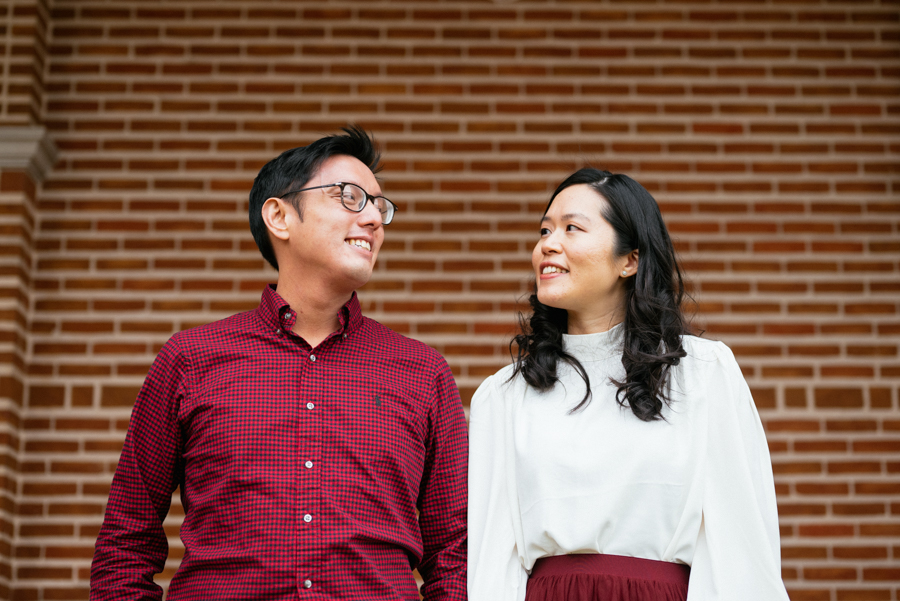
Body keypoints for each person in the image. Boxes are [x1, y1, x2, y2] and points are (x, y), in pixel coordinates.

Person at [91, 126, 468, 601]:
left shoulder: (422, 371)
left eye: (379, 205)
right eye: (351, 197)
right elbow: (126, 543)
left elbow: (455, 555)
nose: (374, 218)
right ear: (280, 216)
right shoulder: (190, 359)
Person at [467, 168, 789, 601]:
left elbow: (742, 546)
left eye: (571, 228)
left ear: (630, 260)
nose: (548, 243)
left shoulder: (703, 373)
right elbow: (491, 562)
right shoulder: (503, 395)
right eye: (544, 229)